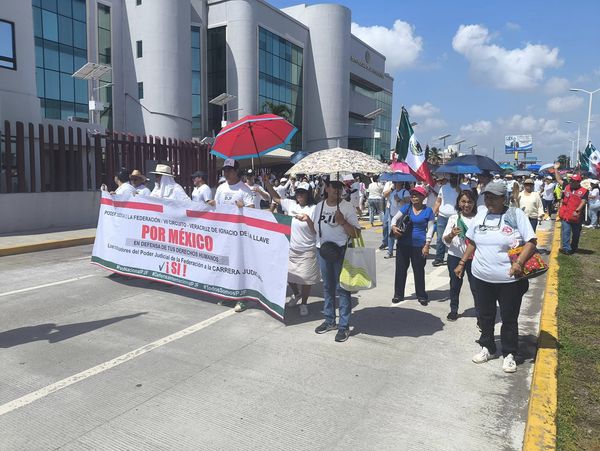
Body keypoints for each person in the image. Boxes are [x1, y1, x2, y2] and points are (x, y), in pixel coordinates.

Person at [456, 181, 537, 373]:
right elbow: (472, 242)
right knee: (485, 315)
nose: (489, 201)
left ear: (504, 198)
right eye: (487, 197)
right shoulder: (481, 214)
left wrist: (519, 263)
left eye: (494, 198)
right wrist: (462, 262)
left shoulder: (515, 215)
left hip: (509, 280)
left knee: (509, 317)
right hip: (481, 277)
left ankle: (509, 353)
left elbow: (531, 242)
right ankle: (488, 347)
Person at [309, 175, 360, 342]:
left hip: (341, 252)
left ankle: (343, 326)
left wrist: (343, 222)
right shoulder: (319, 206)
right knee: (327, 287)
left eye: (340, 186)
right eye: (334, 186)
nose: (337, 189)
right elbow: (315, 229)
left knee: (342, 288)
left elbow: (356, 233)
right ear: (326, 188)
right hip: (322, 251)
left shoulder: (347, 207)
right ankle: (330, 320)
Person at [264, 178, 319, 316]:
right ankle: (296, 293)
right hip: (290, 248)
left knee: (306, 279)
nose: (299, 195)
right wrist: (267, 183)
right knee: (288, 275)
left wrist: (308, 220)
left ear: (308, 194)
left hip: (307, 249)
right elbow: (276, 198)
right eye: (298, 192)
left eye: (303, 193)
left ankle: (304, 303)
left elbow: (316, 231)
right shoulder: (291, 204)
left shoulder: (314, 208)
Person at [214, 159, 255, 313]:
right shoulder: (221, 188)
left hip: (240, 236)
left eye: (229, 170)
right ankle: (228, 293)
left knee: (239, 266)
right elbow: (216, 207)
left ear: (237, 171)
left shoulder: (244, 190)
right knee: (226, 265)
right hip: (224, 234)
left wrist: (244, 208)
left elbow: (253, 211)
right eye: (225, 170)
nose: (226, 173)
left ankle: (242, 298)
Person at [390, 185, 435, 305]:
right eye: (412, 195)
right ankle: (398, 295)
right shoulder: (407, 208)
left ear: (423, 197)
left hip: (419, 245)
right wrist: (393, 227)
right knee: (400, 270)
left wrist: (427, 244)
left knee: (419, 271)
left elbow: (430, 229)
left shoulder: (428, 211)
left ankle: (421, 295)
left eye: (417, 195)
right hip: (403, 244)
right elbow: (394, 219)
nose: (414, 197)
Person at [442, 190, 478, 321]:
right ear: (458, 203)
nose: (466, 205)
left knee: (476, 287)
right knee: (455, 285)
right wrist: (452, 234)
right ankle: (454, 310)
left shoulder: (478, 219)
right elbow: (445, 240)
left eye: (470, 202)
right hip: (455, 257)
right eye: (463, 201)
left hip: (474, 258)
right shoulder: (453, 218)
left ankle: (480, 313)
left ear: (474, 203)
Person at [554, 163, 588, 254]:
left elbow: (583, 201)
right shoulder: (566, 186)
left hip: (577, 216)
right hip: (566, 215)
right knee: (566, 232)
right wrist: (556, 169)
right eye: (571, 180)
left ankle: (574, 247)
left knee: (576, 234)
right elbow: (558, 179)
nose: (572, 182)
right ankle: (566, 249)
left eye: (574, 181)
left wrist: (577, 210)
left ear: (579, 182)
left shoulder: (584, 191)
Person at [432, 174, 459, 266]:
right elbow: (438, 201)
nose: (453, 178)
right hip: (442, 216)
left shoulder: (463, 188)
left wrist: (460, 191)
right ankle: (439, 258)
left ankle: (454, 259)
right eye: (452, 177)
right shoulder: (443, 188)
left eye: (455, 177)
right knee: (440, 238)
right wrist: (432, 213)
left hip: (455, 217)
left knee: (455, 239)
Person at [384, 182, 410, 259]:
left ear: (401, 184)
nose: (396, 185)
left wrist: (399, 200)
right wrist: (391, 189)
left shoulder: (405, 192)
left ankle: (401, 251)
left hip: (401, 217)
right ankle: (390, 252)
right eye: (395, 183)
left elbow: (408, 204)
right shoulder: (393, 192)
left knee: (400, 234)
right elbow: (384, 195)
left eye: (397, 183)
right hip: (391, 215)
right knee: (390, 233)